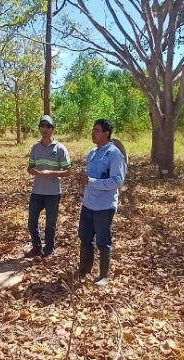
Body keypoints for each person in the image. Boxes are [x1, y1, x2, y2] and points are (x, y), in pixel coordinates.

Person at [77, 119, 127, 287]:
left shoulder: (114, 154)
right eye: (93, 130)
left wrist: (91, 181)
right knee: (85, 237)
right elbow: (90, 178)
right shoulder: (92, 153)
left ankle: (103, 276)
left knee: (102, 241)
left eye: (97, 130)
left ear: (106, 133)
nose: (93, 133)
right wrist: (85, 181)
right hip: (88, 203)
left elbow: (117, 181)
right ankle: (84, 270)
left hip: (104, 206)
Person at [25, 115, 71, 258]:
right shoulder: (35, 148)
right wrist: (34, 171)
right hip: (37, 191)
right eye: (42, 126)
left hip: (53, 193)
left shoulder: (60, 149)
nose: (45, 129)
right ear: (39, 128)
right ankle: (36, 247)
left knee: (50, 223)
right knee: (32, 222)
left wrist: (50, 173)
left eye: (48, 126)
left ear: (53, 129)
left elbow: (68, 171)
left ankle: (49, 248)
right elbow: (30, 168)